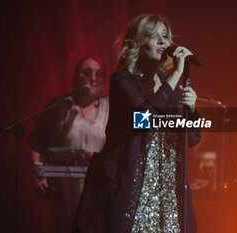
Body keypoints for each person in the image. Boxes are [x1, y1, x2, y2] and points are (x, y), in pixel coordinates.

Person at [73, 14, 200, 233]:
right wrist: (175, 75)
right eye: (153, 36)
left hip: (167, 193)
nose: (163, 42)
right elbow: (142, 120)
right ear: (137, 43)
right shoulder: (123, 81)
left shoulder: (172, 89)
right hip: (134, 190)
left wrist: (192, 109)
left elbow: (192, 138)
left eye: (165, 36)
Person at [29, 56, 109, 233]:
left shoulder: (110, 106)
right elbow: (37, 141)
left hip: (100, 187)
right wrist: (39, 174)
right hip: (65, 188)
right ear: (76, 76)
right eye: (87, 73)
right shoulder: (59, 106)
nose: (93, 78)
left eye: (99, 74)